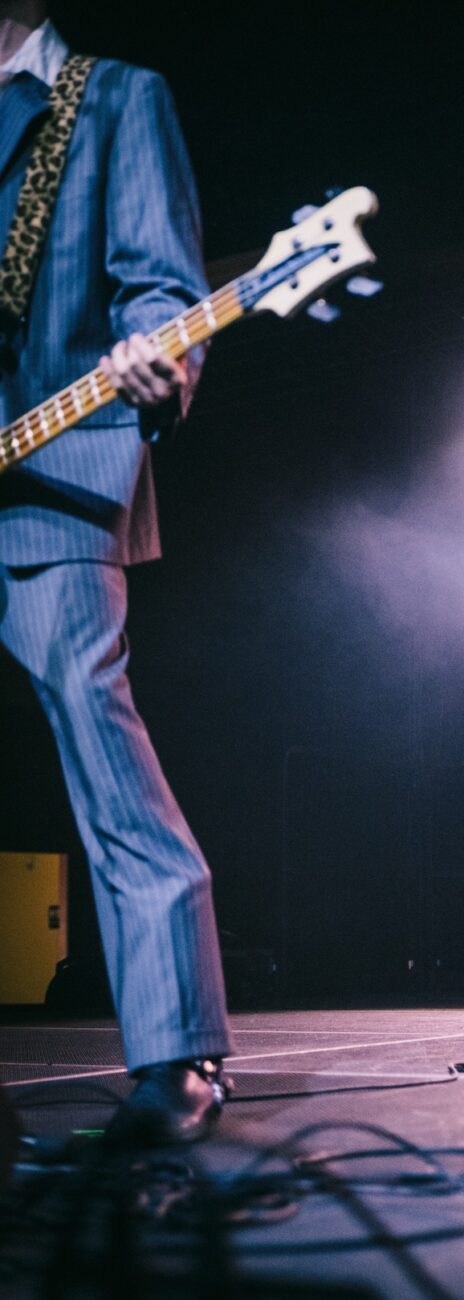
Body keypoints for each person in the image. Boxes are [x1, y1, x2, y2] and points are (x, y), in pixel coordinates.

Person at [0, 2, 235, 1144]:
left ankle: (178, 1050)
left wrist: (164, 359)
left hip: (54, 479)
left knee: (103, 750)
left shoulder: (107, 98)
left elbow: (159, 291)